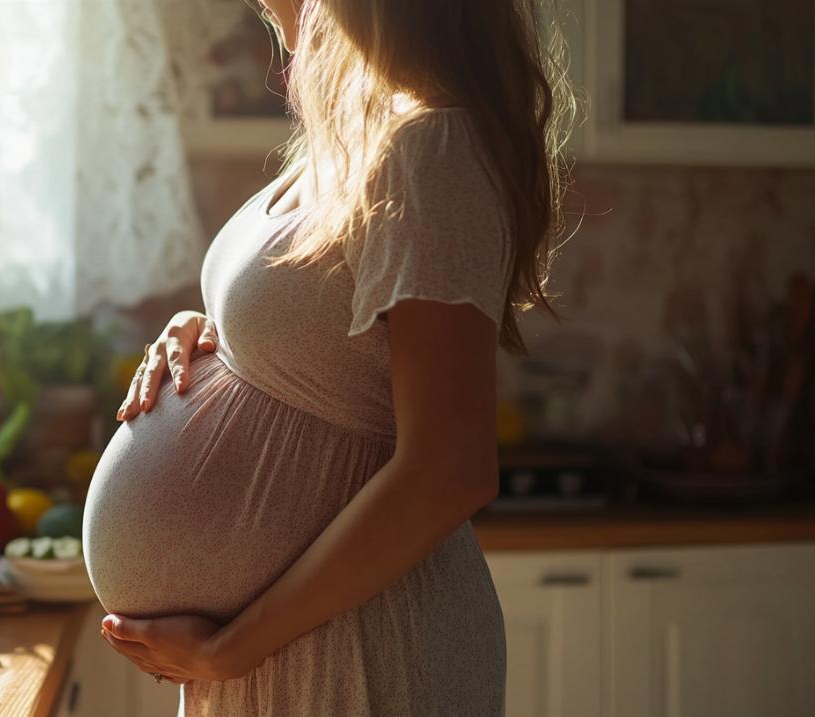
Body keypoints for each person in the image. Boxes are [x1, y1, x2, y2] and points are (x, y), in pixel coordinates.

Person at [82, 0, 573, 714]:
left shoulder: (433, 148)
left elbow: (451, 469)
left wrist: (231, 649)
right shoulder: (357, 139)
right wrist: (214, 330)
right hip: (283, 648)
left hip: (358, 652)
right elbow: (322, 331)